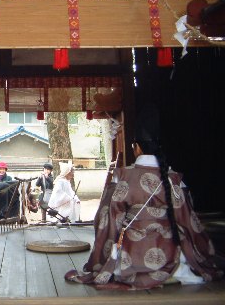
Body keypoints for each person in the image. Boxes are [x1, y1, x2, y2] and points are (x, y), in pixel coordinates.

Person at [65, 104, 223, 290]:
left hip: (131, 255)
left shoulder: (123, 176)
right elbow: (189, 221)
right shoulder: (174, 179)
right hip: (171, 256)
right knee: (184, 259)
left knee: (116, 259)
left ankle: (135, 272)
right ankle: (173, 272)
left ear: (136, 148)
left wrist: (102, 253)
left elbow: (107, 217)